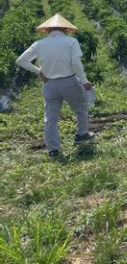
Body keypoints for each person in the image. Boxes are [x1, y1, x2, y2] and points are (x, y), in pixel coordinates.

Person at [16, 14, 93, 157]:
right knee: (81, 108)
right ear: (65, 29)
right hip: (69, 82)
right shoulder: (71, 42)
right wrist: (84, 81)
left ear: (47, 30)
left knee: (50, 118)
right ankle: (82, 135)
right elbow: (76, 64)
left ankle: (53, 149)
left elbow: (21, 60)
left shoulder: (39, 44)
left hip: (49, 84)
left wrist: (39, 72)